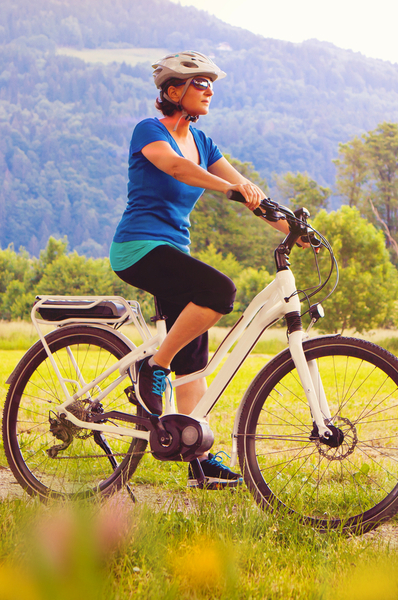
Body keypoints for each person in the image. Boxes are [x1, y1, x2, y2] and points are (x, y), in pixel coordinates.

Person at [109, 50, 289, 488]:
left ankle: (198, 459)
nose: (209, 90)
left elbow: (248, 192)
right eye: (199, 83)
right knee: (219, 292)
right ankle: (154, 364)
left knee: (194, 365)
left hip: (174, 252)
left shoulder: (204, 143)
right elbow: (175, 167)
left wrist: (291, 226)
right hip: (138, 248)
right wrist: (229, 188)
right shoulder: (149, 130)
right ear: (173, 91)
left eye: (212, 83)